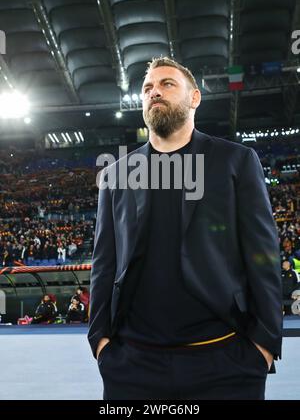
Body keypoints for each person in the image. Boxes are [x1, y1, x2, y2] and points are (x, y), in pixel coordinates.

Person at [88, 56, 283, 400]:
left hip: (225, 361)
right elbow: (105, 262)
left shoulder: (235, 161)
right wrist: (101, 342)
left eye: (167, 84)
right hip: (131, 365)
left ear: (194, 98)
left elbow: (263, 256)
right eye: (147, 87)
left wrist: (263, 345)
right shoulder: (117, 173)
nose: (154, 92)